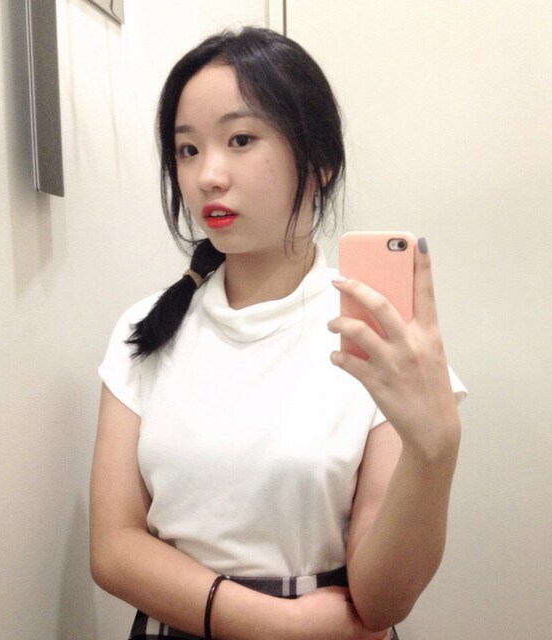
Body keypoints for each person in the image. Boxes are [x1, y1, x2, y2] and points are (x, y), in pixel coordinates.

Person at [90, 27, 467, 640]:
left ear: (317, 163)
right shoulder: (144, 330)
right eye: (187, 149)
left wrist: (435, 452)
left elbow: (381, 601)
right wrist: (280, 625)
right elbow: (113, 548)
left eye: (240, 140)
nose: (207, 176)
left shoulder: (380, 342)